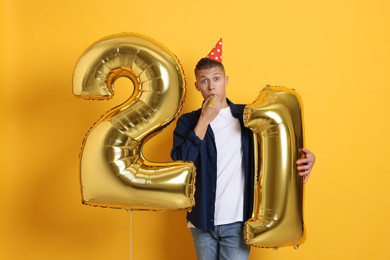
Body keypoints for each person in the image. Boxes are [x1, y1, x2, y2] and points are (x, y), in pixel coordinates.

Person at [170, 40, 316, 260]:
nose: (211, 86)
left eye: (216, 79)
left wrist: (307, 159)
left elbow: (279, 152)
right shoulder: (188, 122)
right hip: (201, 222)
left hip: (237, 223)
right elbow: (181, 163)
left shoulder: (249, 118)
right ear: (197, 86)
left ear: (226, 80)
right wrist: (204, 121)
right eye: (205, 81)